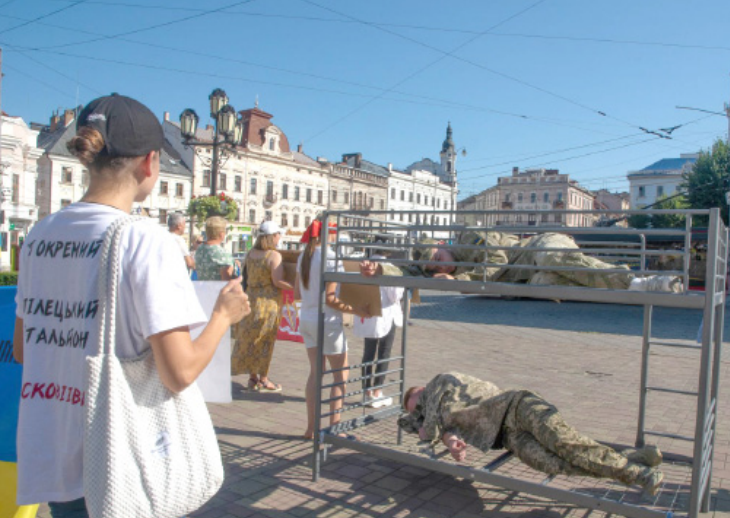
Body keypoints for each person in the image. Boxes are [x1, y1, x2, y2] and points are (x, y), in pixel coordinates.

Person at [11, 94, 250, 518]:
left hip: (53, 449)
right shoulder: (146, 240)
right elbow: (180, 373)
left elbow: (24, 350)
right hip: (120, 459)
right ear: (150, 164)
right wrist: (222, 316)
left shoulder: (39, 236)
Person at [400, 372, 664, 495]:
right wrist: (454, 443)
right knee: (560, 464)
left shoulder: (440, 382)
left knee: (570, 446)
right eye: (418, 411)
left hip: (518, 407)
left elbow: (430, 425)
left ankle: (641, 474)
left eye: (419, 402)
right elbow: (445, 432)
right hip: (507, 437)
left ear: (422, 389)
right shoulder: (439, 417)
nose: (422, 409)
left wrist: (426, 431)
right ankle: (632, 458)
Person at [361, 230, 682, 292]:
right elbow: (405, 270)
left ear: (442, 246)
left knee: (551, 258)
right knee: (547, 282)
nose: (440, 267)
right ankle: (634, 293)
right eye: (434, 269)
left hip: (538, 245)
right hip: (528, 277)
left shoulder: (466, 240)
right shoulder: (439, 266)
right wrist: (377, 267)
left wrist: (461, 282)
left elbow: (498, 259)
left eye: (438, 259)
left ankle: (637, 282)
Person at [295, 218, 371, 440]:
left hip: (307, 318)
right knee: (340, 376)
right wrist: (356, 310)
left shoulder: (304, 256)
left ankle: (311, 429)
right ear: (329, 234)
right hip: (327, 321)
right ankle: (334, 429)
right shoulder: (332, 257)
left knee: (315, 374)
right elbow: (330, 299)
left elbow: (297, 293)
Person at [232, 221, 293, 392]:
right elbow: (277, 281)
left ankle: (253, 378)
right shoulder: (273, 256)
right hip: (268, 302)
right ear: (273, 236)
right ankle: (264, 379)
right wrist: (296, 287)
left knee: (252, 338)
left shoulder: (251, 253)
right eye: (278, 234)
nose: (279, 237)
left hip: (251, 298)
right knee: (265, 340)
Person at [353, 252, 404, 408]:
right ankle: (377, 392)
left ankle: (366, 392)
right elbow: (395, 295)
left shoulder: (363, 266)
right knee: (384, 353)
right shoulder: (389, 268)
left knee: (368, 354)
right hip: (386, 316)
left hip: (368, 314)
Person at [195, 216, 239, 280]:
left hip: (202, 288)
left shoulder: (200, 249)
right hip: (217, 289)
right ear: (221, 234)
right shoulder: (222, 253)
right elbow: (226, 280)